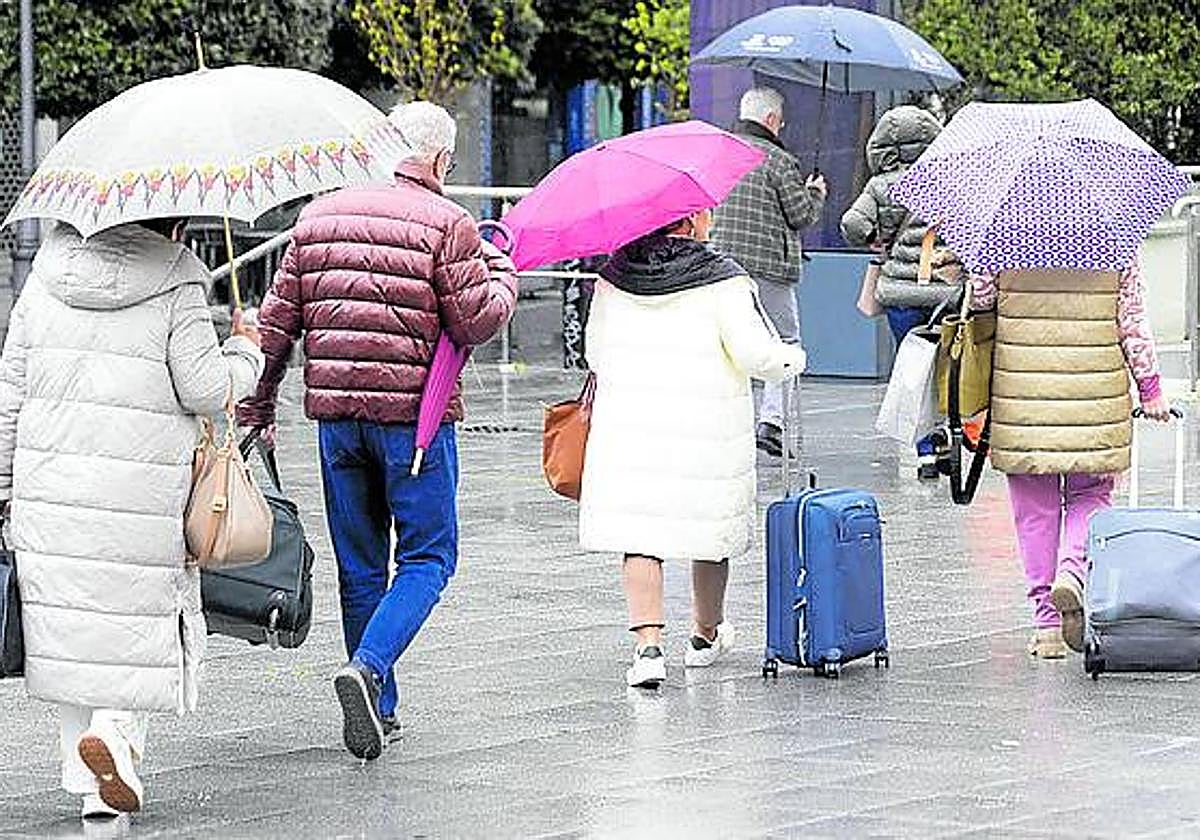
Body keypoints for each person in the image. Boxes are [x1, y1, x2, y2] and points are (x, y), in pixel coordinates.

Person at [237, 101, 518, 760]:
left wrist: (257, 409)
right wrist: (502, 275)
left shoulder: (318, 216)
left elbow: (278, 323)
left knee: (360, 567)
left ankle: (380, 708)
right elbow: (475, 322)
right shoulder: (448, 222)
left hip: (337, 419)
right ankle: (366, 669)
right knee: (427, 557)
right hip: (412, 424)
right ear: (442, 160)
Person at [0, 218, 263, 819]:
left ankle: (89, 789)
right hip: (142, 493)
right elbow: (205, 388)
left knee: (72, 636)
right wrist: (245, 350)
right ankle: (116, 734)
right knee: (139, 624)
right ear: (171, 219)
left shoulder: (44, 277)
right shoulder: (175, 284)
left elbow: (9, 391)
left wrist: (2, 487)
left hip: (51, 492)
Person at [580, 208, 806, 688]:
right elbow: (754, 355)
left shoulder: (613, 279)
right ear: (687, 223)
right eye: (705, 213)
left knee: (640, 538)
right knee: (709, 534)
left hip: (632, 428)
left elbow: (594, 353)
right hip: (705, 428)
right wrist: (791, 357)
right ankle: (704, 637)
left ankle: (647, 650)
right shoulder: (723, 280)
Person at [969, 264, 1170, 659]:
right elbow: (1131, 321)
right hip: (1095, 392)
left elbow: (979, 301)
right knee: (1092, 494)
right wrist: (1150, 388)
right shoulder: (1113, 238)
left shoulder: (1004, 234)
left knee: (1034, 512)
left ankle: (1046, 626)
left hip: (1022, 392)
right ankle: (1073, 570)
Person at [840, 105, 961, 480]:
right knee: (947, 367)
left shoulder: (880, 186)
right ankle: (948, 435)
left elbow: (851, 224)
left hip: (900, 295)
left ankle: (925, 451)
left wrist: (877, 239)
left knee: (912, 370)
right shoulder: (947, 180)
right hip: (945, 292)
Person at [711, 86, 826, 458]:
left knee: (729, 344)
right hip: (768, 269)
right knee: (785, 343)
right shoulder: (778, 160)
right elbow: (801, 215)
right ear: (772, 120)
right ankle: (772, 423)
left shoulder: (721, 153)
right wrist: (816, 192)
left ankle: (728, 423)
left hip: (721, 265)